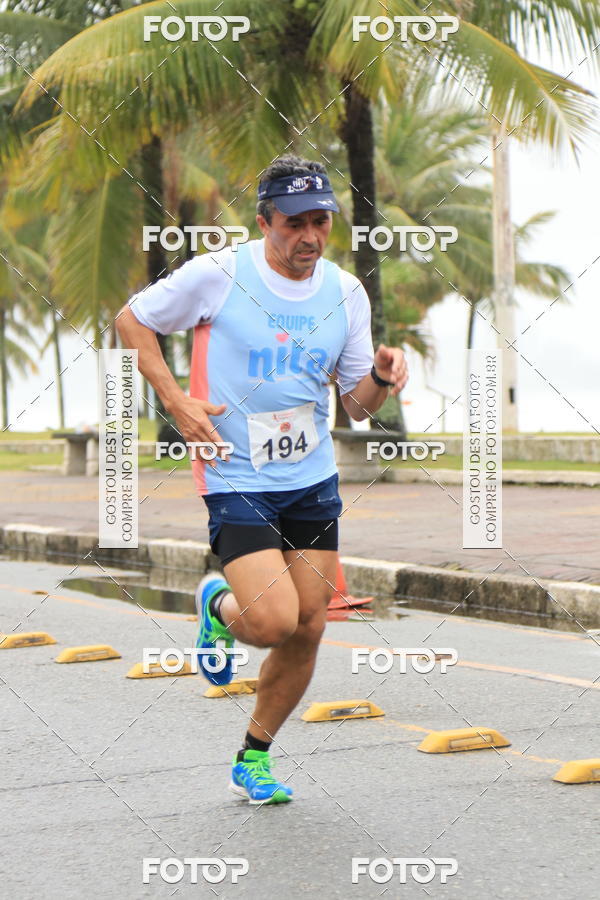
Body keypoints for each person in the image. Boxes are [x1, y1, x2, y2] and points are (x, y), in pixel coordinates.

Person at [116, 155, 408, 806]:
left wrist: (383, 379)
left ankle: (253, 757)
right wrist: (175, 400)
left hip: (311, 478)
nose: (309, 236)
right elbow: (131, 320)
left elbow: (356, 408)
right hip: (235, 471)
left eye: (321, 222)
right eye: (294, 223)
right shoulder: (221, 274)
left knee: (309, 626)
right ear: (264, 221)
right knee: (273, 622)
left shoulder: (344, 293)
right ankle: (218, 604)